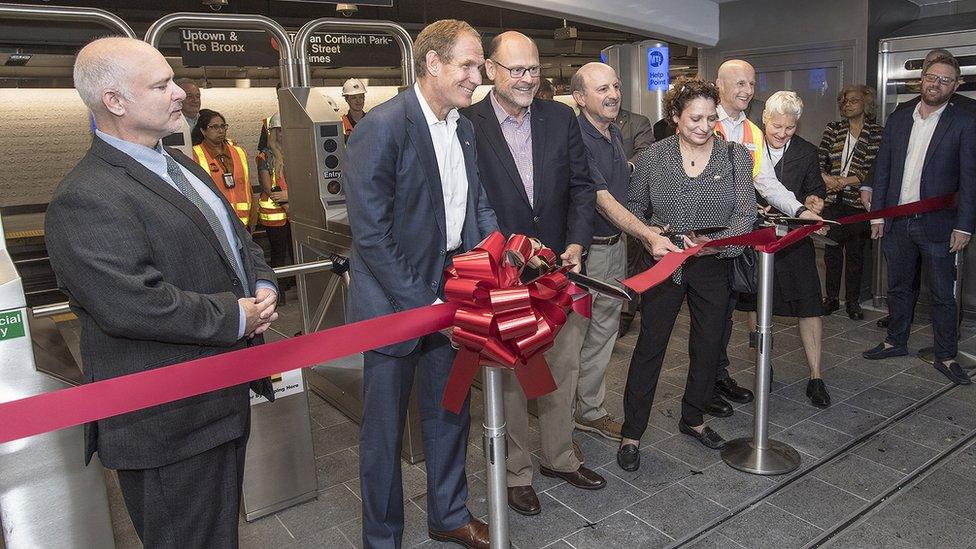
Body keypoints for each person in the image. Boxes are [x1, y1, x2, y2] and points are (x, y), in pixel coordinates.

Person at [45, 37, 278, 548]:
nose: (181, 93)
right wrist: (234, 315)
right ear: (114, 101)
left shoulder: (180, 165)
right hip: (168, 425)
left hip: (219, 399)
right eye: (162, 84)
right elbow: (131, 304)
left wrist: (262, 282)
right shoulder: (86, 196)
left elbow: (238, 240)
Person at [344, 20, 498, 548]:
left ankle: (448, 514)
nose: (478, 77)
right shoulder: (383, 126)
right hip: (393, 306)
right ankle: (383, 540)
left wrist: (502, 257)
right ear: (433, 64)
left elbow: (473, 205)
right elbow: (371, 235)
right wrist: (428, 304)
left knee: (450, 412)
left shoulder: (465, 126)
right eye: (469, 65)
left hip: (450, 297)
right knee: (383, 438)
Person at [461, 31, 606, 518]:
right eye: (516, 69)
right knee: (508, 377)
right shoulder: (467, 124)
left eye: (534, 69)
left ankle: (561, 457)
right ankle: (515, 473)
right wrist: (498, 256)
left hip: (560, 272)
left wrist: (576, 242)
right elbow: (465, 202)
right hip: (502, 273)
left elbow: (583, 187)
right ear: (491, 71)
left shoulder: (560, 118)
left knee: (563, 366)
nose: (527, 79)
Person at [618, 78, 756, 471]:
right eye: (695, 118)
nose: (704, 126)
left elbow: (745, 215)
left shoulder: (734, 157)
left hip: (713, 264)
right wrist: (654, 238)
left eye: (711, 118)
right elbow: (635, 209)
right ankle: (632, 431)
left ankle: (693, 418)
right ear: (675, 117)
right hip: (664, 262)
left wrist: (714, 245)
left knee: (709, 344)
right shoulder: (654, 156)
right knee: (650, 346)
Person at [571, 62, 680, 443]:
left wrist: (652, 223)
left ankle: (588, 411)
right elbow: (600, 199)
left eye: (615, 86)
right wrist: (646, 233)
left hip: (616, 247)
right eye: (602, 89)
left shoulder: (614, 132)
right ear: (580, 98)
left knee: (604, 333)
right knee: (576, 339)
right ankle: (566, 421)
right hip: (586, 256)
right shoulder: (578, 136)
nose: (613, 94)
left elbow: (624, 195)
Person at [710, 58, 823, 416]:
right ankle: (703, 388)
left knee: (725, 313)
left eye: (751, 84)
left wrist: (799, 210)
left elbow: (767, 182)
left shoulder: (751, 134)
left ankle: (718, 377)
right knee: (708, 316)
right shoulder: (703, 121)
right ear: (720, 86)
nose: (747, 90)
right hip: (706, 239)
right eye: (740, 83)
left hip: (738, 239)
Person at [862, 52, 976, 386]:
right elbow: (883, 166)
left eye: (945, 80)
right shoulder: (899, 116)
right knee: (898, 287)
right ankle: (895, 341)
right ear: (921, 78)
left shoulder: (964, 121)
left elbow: (970, 178)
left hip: (941, 225)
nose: (936, 84)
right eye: (932, 77)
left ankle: (946, 354)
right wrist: (878, 216)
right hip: (897, 222)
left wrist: (964, 225)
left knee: (943, 294)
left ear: (956, 85)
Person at [736, 91, 830, 407]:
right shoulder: (747, 145)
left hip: (794, 240)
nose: (782, 133)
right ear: (764, 120)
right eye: (776, 126)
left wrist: (815, 201)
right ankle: (765, 367)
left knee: (809, 305)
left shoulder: (807, 152)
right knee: (755, 304)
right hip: (756, 239)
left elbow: (815, 189)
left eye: (789, 128)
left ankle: (816, 376)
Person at [819, 85, 884, 320]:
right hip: (832, 200)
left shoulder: (877, 133)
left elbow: (875, 168)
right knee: (831, 252)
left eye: (853, 101)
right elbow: (821, 158)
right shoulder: (833, 129)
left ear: (866, 104)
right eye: (844, 101)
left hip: (858, 202)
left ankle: (853, 302)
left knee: (856, 255)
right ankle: (832, 298)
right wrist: (827, 179)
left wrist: (845, 181)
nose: (847, 105)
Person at [614, 107, 655, 337]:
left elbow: (646, 152)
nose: (613, 93)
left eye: (616, 86)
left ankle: (625, 314)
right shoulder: (581, 123)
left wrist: (624, 167)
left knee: (630, 260)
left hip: (631, 200)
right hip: (594, 204)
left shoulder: (638, 122)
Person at [192, 109, 253, 228]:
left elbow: (247, 186)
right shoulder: (194, 154)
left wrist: (253, 219)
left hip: (243, 222)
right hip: (216, 223)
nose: (220, 130)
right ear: (203, 131)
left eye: (223, 126)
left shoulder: (239, 152)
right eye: (214, 127)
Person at [256, 113, 294, 293]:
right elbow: (268, 188)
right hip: (275, 214)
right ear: (272, 133)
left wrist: (291, 197)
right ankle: (277, 292)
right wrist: (288, 204)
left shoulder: (296, 151)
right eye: (278, 131)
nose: (282, 134)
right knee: (278, 254)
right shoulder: (265, 156)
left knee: (296, 252)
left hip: (293, 211)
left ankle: (297, 284)